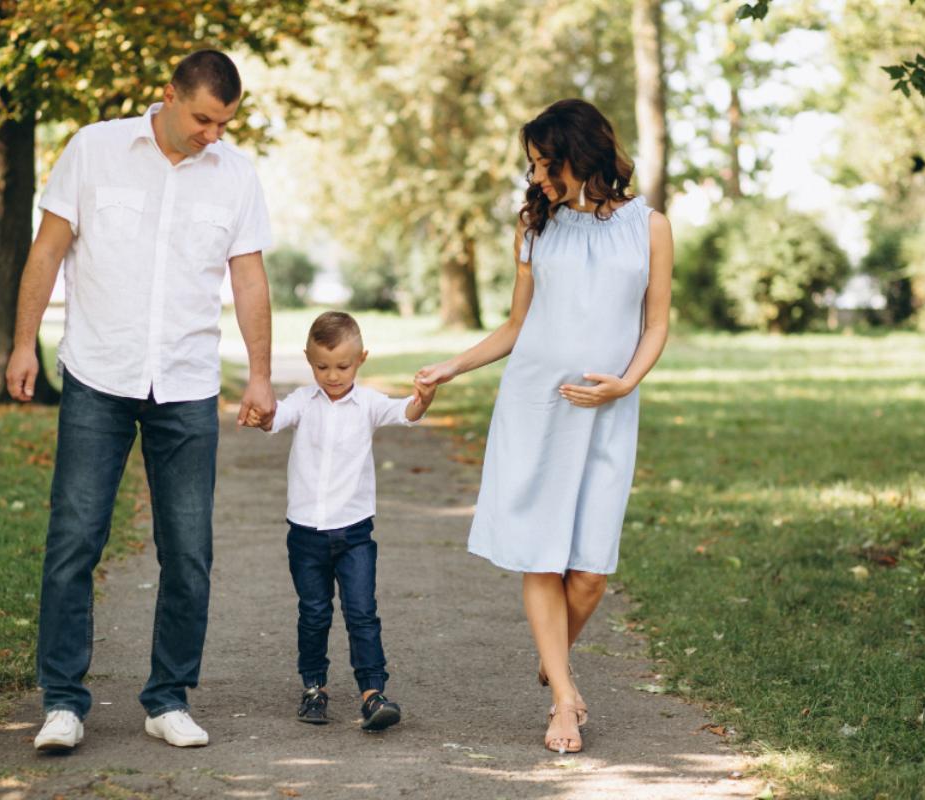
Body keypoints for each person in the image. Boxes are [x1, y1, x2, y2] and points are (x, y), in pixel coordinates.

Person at [5, 49, 275, 751]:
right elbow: (48, 250)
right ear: (168, 95)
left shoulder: (237, 175)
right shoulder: (95, 150)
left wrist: (261, 374)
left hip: (185, 385)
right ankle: (63, 702)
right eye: (203, 119)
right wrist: (22, 344)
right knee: (74, 541)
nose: (214, 133)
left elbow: (249, 280)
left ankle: (167, 699)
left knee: (188, 552)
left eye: (225, 123)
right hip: (97, 374)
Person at [415, 99, 673, 754]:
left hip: (607, 411)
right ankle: (563, 698)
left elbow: (658, 324)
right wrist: (453, 365)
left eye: (542, 162)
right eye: (531, 164)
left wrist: (628, 381)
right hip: (536, 406)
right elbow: (516, 325)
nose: (534, 176)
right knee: (541, 553)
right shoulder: (535, 227)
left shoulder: (651, 226)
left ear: (578, 155)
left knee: (588, 574)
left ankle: (552, 654)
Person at [244, 311, 436, 731]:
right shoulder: (302, 400)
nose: (332, 376)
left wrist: (423, 397)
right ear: (308, 360)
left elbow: (406, 412)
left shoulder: (367, 403)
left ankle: (373, 694)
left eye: (343, 367)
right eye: (322, 366)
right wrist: (262, 416)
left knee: (362, 611)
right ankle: (314, 689)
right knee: (313, 613)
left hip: (354, 534)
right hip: (306, 533)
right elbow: (276, 418)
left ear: (361, 359)